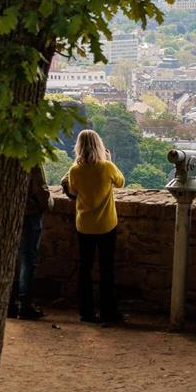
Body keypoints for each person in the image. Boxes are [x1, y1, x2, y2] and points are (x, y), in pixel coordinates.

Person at [63, 130, 125, 323]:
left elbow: (73, 191)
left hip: (84, 224)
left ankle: (86, 312)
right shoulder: (106, 167)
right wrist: (109, 159)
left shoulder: (75, 170)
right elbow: (121, 183)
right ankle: (109, 311)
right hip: (106, 223)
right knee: (107, 269)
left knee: (85, 268)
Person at [8, 165, 54, 319]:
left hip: (6, 211)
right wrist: (45, 205)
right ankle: (24, 305)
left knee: (7, 257)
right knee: (28, 259)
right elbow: (40, 190)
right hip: (29, 212)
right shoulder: (31, 155)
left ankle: (8, 303)